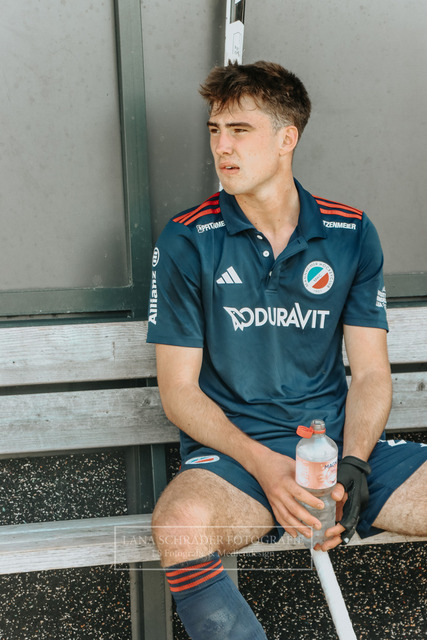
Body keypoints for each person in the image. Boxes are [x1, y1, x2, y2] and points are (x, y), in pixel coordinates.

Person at [146, 61, 427, 639]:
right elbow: (178, 392)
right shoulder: (186, 238)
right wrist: (266, 466)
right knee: (179, 524)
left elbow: (371, 374)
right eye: (214, 130)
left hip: (336, 449)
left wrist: (353, 464)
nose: (221, 147)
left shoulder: (350, 232)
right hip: (239, 461)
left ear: (286, 138)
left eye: (239, 130)